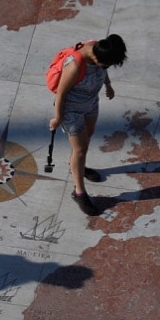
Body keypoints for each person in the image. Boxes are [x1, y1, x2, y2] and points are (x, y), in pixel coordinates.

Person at [48, 35, 128, 216]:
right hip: (71, 112)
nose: (106, 68)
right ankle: (79, 193)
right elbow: (60, 95)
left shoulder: (98, 47)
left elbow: (103, 71)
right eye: (106, 65)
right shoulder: (74, 65)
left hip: (91, 104)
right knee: (80, 150)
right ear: (97, 59)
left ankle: (77, 167)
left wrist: (108, 85)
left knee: (87, 138)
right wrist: (58, 118)